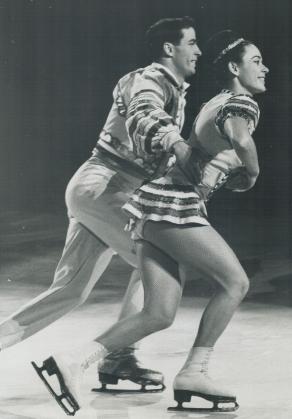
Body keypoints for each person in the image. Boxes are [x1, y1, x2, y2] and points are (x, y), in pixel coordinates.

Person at [31, 29, 268, 415]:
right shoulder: (240, 103)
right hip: (172, 204)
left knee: (158, 312)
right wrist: (254, 173)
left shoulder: (214, 101)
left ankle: (72, 361)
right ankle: (194, 371)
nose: (265, 68)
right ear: (233, 68)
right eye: (256, 61)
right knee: (235, 281)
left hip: (150, 203)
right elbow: (241, 141)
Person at [0, 16, 201, 395]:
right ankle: (118, 355)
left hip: (97, 188)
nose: (198, 50)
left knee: (70, 290)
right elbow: (145, 111)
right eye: (191, 43)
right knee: (160, 258)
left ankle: (117, 359)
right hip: (107, 185)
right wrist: (176, 142)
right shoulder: (150, 79)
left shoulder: (172, 87)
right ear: (168, 48)